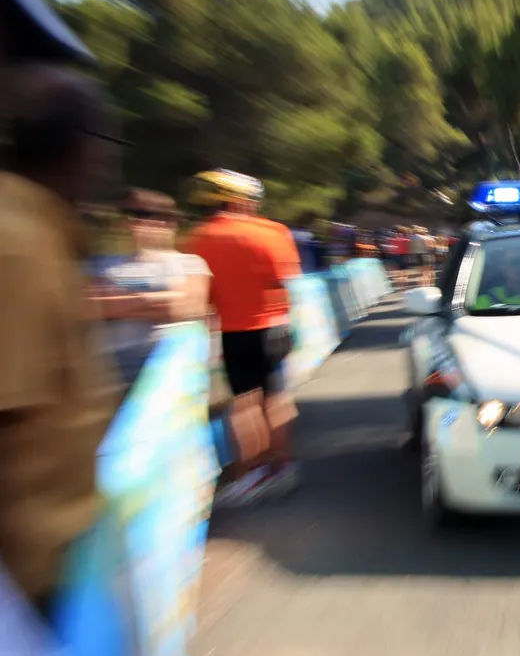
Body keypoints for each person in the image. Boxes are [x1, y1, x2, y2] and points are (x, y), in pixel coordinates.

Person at [0, 66, 124, 617]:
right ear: (82, 149)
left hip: (51, 559)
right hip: (24, 579)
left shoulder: (43, 231)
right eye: (104, 145)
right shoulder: (18, 246)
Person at [186, 169, 303, 506]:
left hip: (234, 329)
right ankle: (283, 466)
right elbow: (286, 279)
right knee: (277, 397)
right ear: (243, 201)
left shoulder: (200, 237)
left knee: (244, 404)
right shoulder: (274, 231)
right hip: (276, 324)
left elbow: (202, 295)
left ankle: (251, 473)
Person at [89, 188, 212, 391]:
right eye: (128, 214)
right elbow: (89, 307)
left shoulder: (190, 263)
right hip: (111, 367)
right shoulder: (102, 264)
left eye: (144, 215)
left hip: (167, 367)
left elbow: (185, 308)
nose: (134, 223)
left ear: (168, 222)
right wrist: (156, 299)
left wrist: (118, 302)